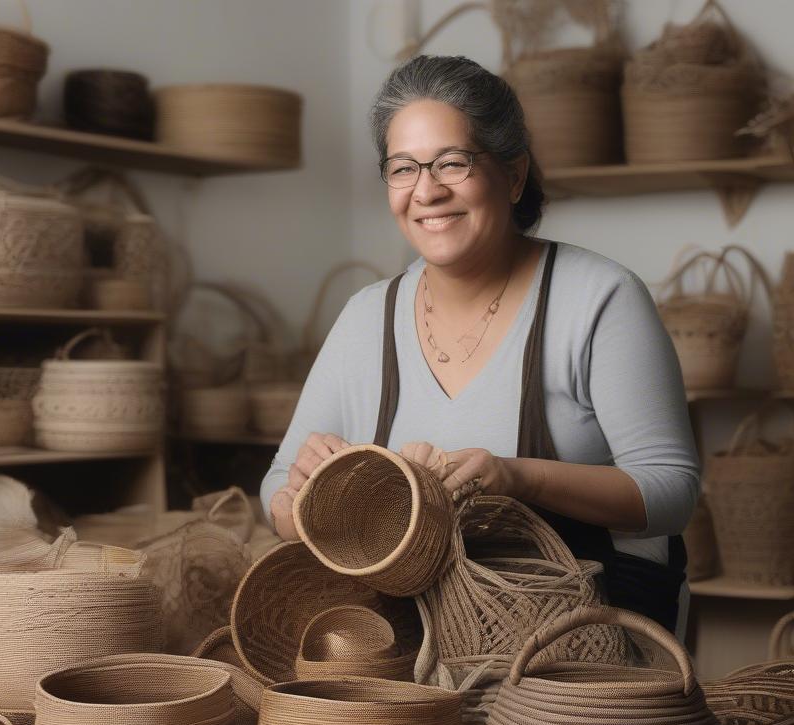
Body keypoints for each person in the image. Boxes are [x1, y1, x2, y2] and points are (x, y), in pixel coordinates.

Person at [260, 54, 699, 633]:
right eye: (403, 168)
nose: (427, 191)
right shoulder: (367, 316)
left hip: (586, 643)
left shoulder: (598, 298)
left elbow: (672, 491)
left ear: (514, 176)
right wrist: (308, 499)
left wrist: (516, 477)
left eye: (452, 163)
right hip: (418, 635)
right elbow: (276, 484)